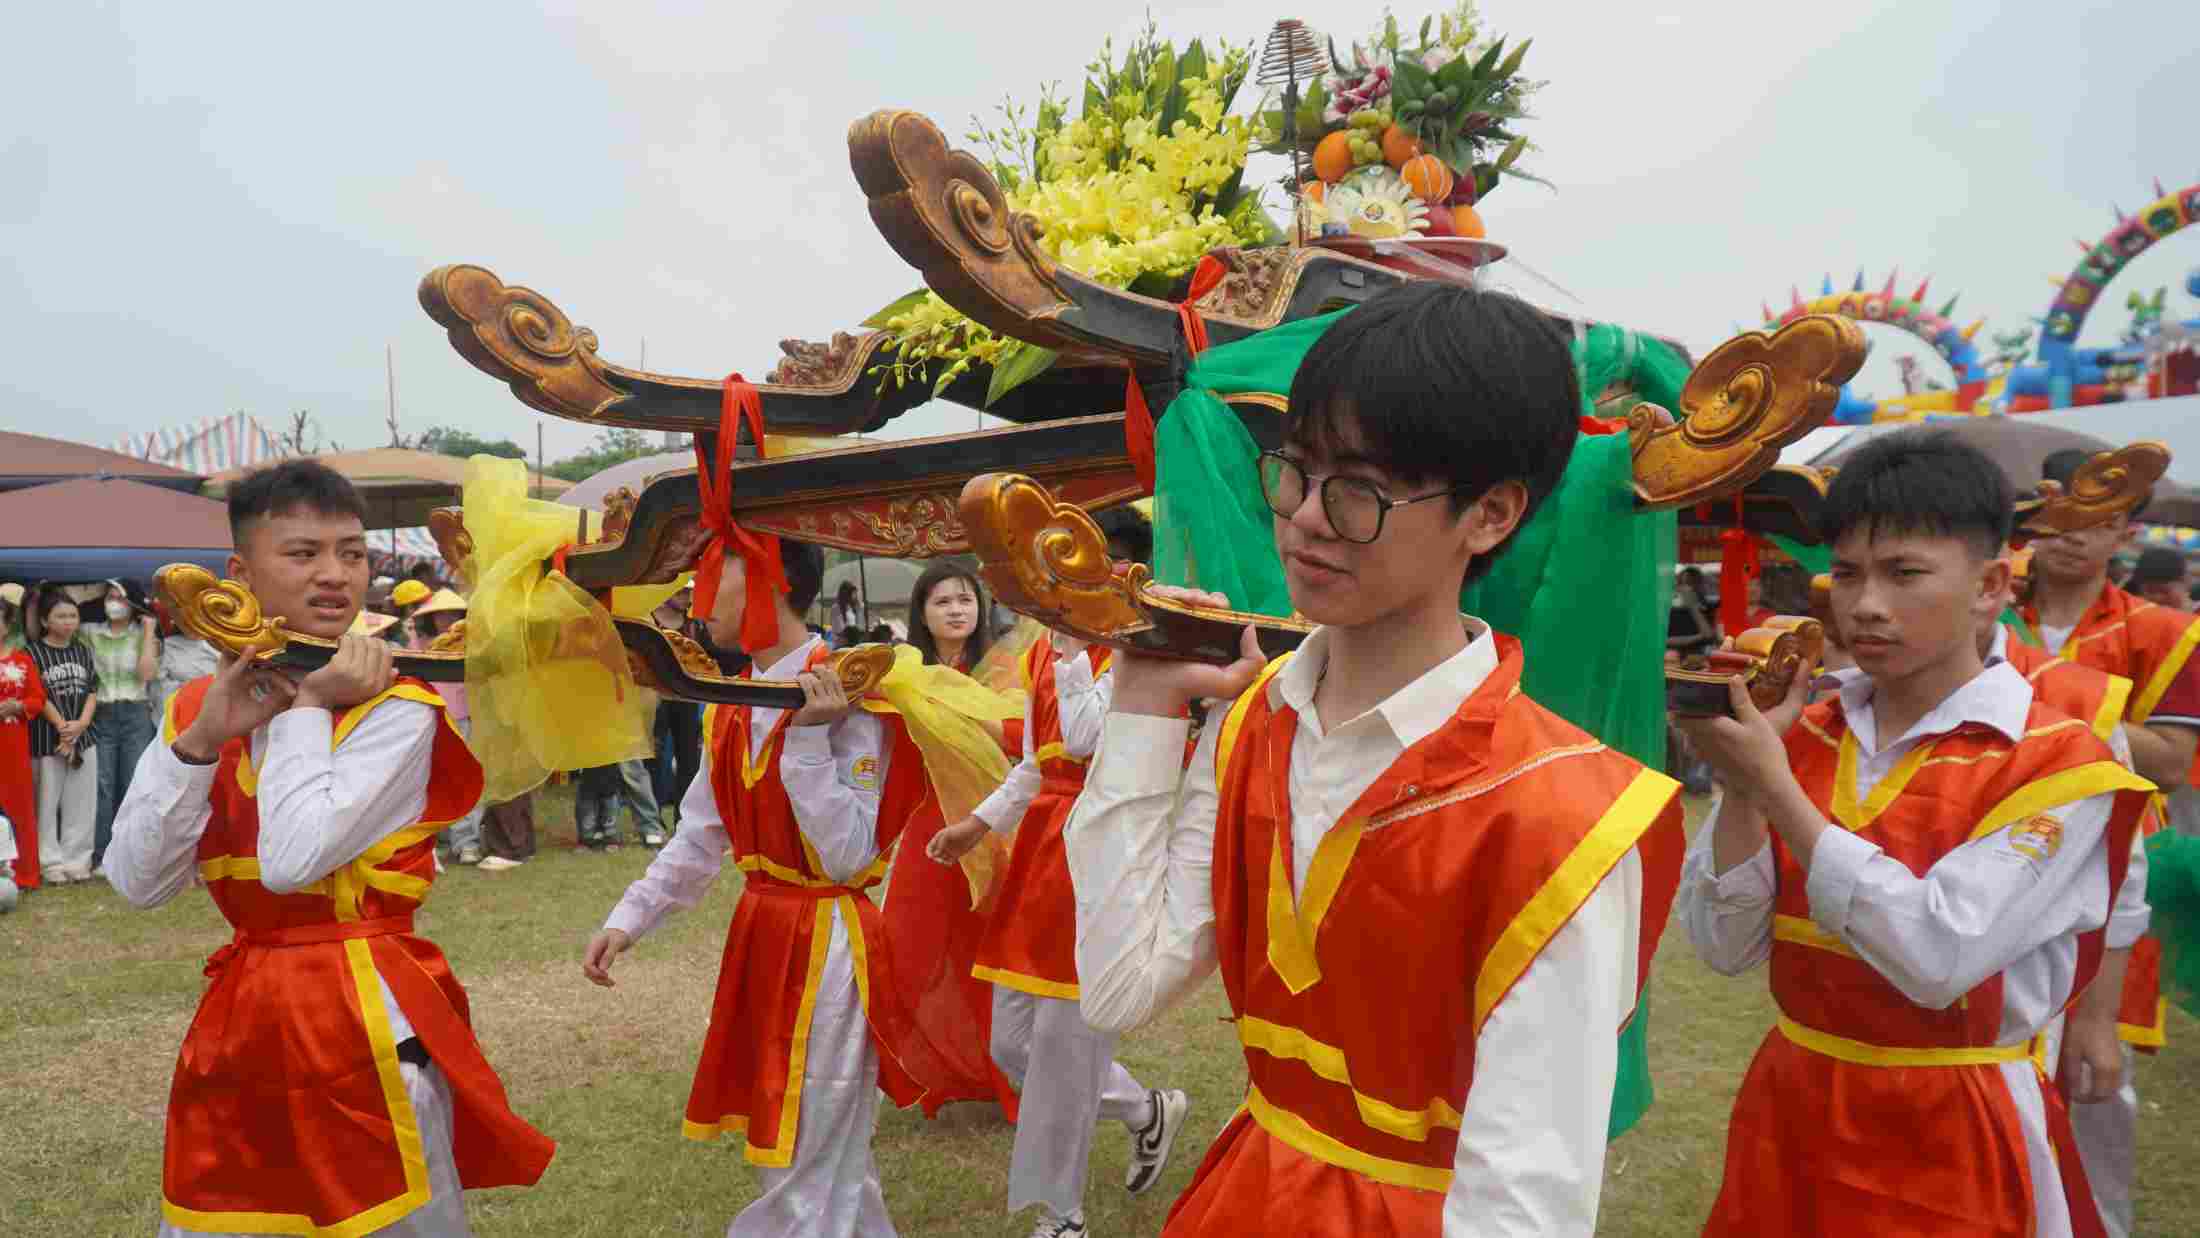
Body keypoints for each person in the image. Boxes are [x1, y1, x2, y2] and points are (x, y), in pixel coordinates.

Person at [1062, 284, 1687, 1235]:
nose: (1308, 518)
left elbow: (1523, 1204)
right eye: (1298, 470)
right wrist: (1144, 710)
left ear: (1490, 514)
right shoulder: (1255, 724)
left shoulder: (1562, 815)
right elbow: (1120, 987)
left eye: (1360, 489)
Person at [1678, 429, 2152, 1237]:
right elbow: (1725, 947)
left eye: (1904, 573)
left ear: (1990, 586)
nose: (1866, 604)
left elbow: (1938, 957)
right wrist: (1744, 789)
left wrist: (1774, 786)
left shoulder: (2059, 762)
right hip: (1794, 1098)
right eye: (1848, 573)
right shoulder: (1804, 730)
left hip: (1952, 1116)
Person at [105, 458, 554, 1234]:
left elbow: (291, 862)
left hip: (367, 1024)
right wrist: (202, 741)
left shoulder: (398, 706)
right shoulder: (197, 706)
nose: (336, 575)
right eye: (303, 553)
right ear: (240, 574)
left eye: (352, 553)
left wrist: (308, 706)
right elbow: (137, 881)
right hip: (243, 1023)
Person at [582, 536, 943, 1236]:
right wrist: (629, 918)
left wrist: (807, 741)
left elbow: (847, 857)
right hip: (764, 935)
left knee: (812, 1139)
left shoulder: (852, 692)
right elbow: (699, 834)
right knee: (813, 1140)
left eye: (714, 577)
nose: (698, 597)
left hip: (828, 941)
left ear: (772, 584)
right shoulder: (728, 701)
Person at [929, 504, 1187, 1238]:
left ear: (1123, 573)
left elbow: (1084, 739)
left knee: (1068, 1048)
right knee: (1012, 1045)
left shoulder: (1142, 648)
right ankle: (1145, 1108)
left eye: (1077, 567)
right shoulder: (1049, 651)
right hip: (1044, 857)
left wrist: (1073, 647)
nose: (1058, 582)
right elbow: (1037, 762)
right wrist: (978, 822)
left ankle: (1063, 1216)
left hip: (1105, 853)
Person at [2009, 447, 2200, 1236]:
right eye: (2057, 511)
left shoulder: (2164, 631)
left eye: (2098, 517)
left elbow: (2173, 762)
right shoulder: (1982, 607)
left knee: (2092, 1076)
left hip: (2113, 868)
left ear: (2126, 531)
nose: (2071, 532)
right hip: (1986, 852)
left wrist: (2048, 712)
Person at [86, 578, 160, 873]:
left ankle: (130, 855)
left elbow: (147, 675)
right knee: (102, 784)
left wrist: (149, 631)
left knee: (133, 783)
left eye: (119, 598)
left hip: (136, 712)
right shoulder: (90, 632)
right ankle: (101, 854)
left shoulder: (143, 634)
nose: (113, 603)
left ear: (132, 604)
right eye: (109, 597)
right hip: (102, 712)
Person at [409, 588, 486, 865]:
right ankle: (435, 841)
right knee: (431, 779)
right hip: (429, 714)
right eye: (441, 614)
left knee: (464, 777)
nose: (447, 619)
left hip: (464, 715)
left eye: (454, 614)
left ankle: (467, 842)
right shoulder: (418, 641)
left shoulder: (473, 640)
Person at [27, 590, 98, 885]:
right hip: (47, 738)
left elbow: (92, 689)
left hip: (84, 736)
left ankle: (77, 861)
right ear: (45, 621)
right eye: (61, 616)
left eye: (72, 616)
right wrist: (62, 728)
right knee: (46, 801)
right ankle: (50, 863)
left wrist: (81, 724)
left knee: (82, 802)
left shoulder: (82, 650)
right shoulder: (32, 653)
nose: (68, 621)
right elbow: (37, 694)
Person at [1, 617, 44, 891]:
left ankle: (24, 873)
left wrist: (18, 706)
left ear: (7, 626)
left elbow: (37, 699)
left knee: (18, 806)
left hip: (13, 744)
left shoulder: (23, 661)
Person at [907, 561, 994, 674]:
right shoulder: (901, 669)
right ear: (922, 615)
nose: (956, 611)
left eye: (965, 600)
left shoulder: (999, 666)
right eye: (943, 602)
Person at [2126, 546, 2191, 613]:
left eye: (2164, 591)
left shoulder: (2194, 615)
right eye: (2150, 591)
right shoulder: (2132, 613)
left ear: (2186, 582)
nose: (2157, 598)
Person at [1669, 566, 1717, 655]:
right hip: (1672, 657)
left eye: (1690, 583)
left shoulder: (1707, 605)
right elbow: (1666, 640)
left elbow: (1709, 635)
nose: (1687, 589)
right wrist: (1699, 637)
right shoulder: (1670, 610)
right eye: (1682, 584)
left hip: (1700, 655)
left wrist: (1692, 605)